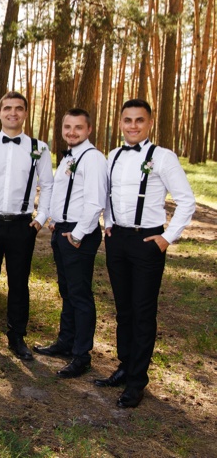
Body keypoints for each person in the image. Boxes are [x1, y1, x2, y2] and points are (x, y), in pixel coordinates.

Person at [98, 99, 195, 408]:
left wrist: (166, 238)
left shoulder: (163, 157)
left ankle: (138, 381)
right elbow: (109, 195)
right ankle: (125, 367)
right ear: (120, 122)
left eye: (139, 120)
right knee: (123, 309)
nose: (133, 126)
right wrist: (109, 223)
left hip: (147, 243)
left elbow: (186, 200)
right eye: (128, 120)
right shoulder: (112, 155)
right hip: (117, 240)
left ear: (149, 123)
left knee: (142, 312)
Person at [0, 91, 53, 360]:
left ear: (25, 113)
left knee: (19, 283)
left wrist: (39, 220)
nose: (12, 113)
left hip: (22, 226)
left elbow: (48, 186)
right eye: (7, 108)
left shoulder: (39, 147)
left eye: (18, 108)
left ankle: (17, 337)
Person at [34, 108, 107, 378]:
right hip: (62, 231)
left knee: (80, 295)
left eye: (78, 127)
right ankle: (65, 343)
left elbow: (95, 201)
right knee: (67, 292)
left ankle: (81, 355)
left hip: (79, 235)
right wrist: (54, 219)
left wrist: (77, 234)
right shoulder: (69, 157)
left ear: (88, 130)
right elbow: (62, 192)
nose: (72, 132)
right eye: (67, 127)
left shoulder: (93, 159)